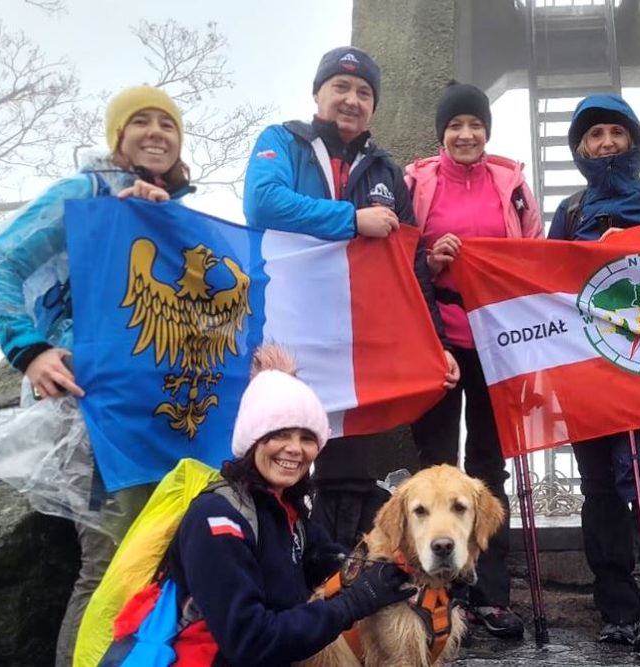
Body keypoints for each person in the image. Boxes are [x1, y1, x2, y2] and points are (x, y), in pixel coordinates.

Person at [0, 85, 194, 666]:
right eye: (139, 122)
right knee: (110, 564)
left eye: (166, 124)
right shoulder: (86, 194)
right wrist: (30, 350)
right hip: (95, 410)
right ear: (117, 137)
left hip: (163, 413)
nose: (155, 133)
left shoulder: (177, 214)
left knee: (162, 559)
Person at [242, 46, 459, 549]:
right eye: (340, 87)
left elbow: (410, 269)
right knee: (282, 466)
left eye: (364, 93)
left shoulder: (385, 171)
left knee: (350, 477)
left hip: (357, 350)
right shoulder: (283, 141)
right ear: (317, 94)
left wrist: (436, 345)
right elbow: (262, 202)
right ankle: (284, 597)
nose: (352, 99)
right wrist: (349, 221)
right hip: (285, 342)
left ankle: (339, 596)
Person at [129, 344, 413, 665]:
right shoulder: (217, 519)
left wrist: (406, 567)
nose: (295, 449)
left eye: (307, 438)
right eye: (280, 434)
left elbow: (337, 564)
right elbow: (251, 641)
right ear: (253, 440)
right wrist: (354, 604)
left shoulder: (287, 512)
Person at [546, 94, 640, 659]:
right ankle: (617, 609)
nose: (605, 143)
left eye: (615, 132)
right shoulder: (572, 210)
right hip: (584, 371)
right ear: (580, 149)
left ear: (633, 140)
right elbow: (546, 282)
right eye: (594, 136)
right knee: (597, 488)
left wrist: (635, 249)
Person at [404, 82, 542, 639]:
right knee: (434, 464)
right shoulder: (419, 183)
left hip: (496, 342)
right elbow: (400, 256)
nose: (465, 135)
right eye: (455, 126)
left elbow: (532, 255)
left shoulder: (512, 185)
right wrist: (430, 260)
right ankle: (431, 589)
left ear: (487, 131)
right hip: (435, 339)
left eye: (475, 125)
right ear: (442, 134)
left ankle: (490, 593)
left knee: (489, 466)